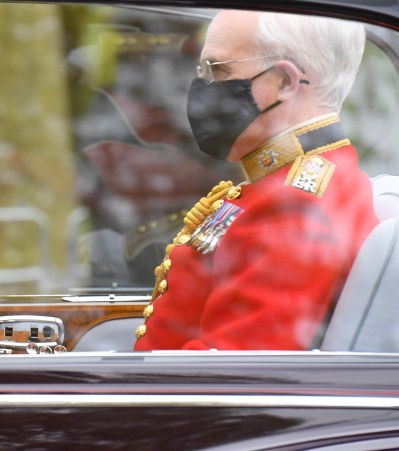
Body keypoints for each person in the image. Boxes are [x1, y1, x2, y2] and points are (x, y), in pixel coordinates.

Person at [133, 10, 377, 351]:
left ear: (284, 82)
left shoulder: (293, 209)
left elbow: (231, 375)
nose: (203, 86)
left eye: (218, 70)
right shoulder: (300, 185)